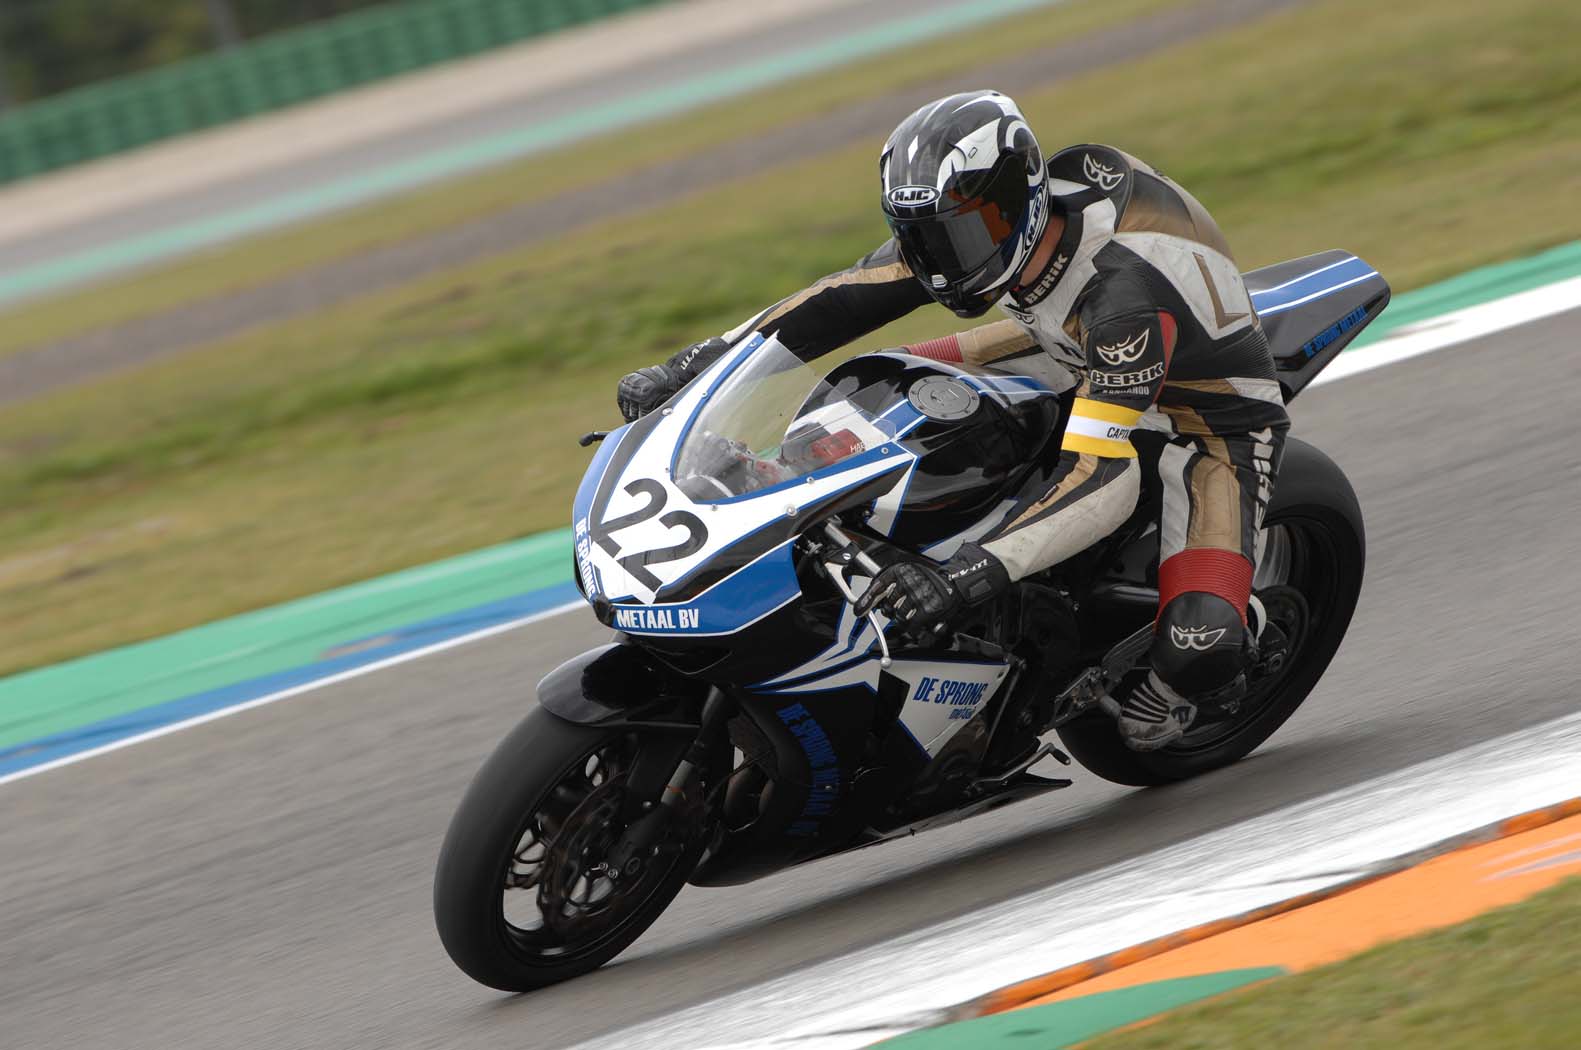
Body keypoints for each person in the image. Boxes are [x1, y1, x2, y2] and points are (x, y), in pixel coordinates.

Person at [615, 90, 1288, 751]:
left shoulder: (1121, 300)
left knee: (1197, 648)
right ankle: (784, 480)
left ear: (1018, 200)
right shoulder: (987, 227)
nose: (942, 262)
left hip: (1197, 411)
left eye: (959, 236)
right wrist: (689, 368)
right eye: (924, 238)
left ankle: (1211, 664)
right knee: (875, 377)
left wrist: (966, 574)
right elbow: (836, 300)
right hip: (1062, 340)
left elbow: (1099, 475)